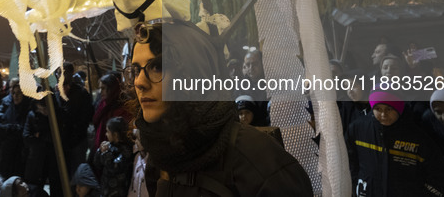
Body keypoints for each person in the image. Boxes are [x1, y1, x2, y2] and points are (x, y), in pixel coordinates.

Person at [127, 20, 312, 196]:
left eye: (157, 67)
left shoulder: (255, 157)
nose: (139, 82)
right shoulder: (160, 158)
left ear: (194, 75)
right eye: (136, 70)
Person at [346, 87, 444, 196]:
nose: (383, 114)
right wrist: (356, 185)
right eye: (378, 109)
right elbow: (350, 162)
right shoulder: (358, 129)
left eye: (389, 109)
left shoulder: (417, 137)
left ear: (398, 108)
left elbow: (437, 174)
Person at [56, 62, 94, 177]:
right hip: (62, 141)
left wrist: (76, 134)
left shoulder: (81, 93)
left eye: (64, 73)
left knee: (77, 175)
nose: (61, 76)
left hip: (77, 141)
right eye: (58, 73)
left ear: (71, 74)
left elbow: (86, 116)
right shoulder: (56, 93)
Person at [0, 83, 32, 178]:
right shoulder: (9, 109)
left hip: (21, 156)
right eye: (13, 93)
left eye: (19, 93)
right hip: (6, 155)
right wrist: (13, 128)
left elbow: (23, 130)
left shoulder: (28, 110)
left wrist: (8, 128)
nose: (16, 96)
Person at [93, 116, 134, 197]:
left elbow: (115, 167)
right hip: (106, 191)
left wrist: (105, 153)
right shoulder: (110, 146)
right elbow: (97, 163)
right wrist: (100, 151)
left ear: (115, 135)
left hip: (118, 192)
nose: (106, 134)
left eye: (108, 132)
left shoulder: (127, 150)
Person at [92, 73, 130, 152]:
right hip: (101, 146)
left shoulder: (123, 106)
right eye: (100, 88)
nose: (100, 91)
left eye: (103, 88)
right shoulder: (102, 104)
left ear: (112, 89)